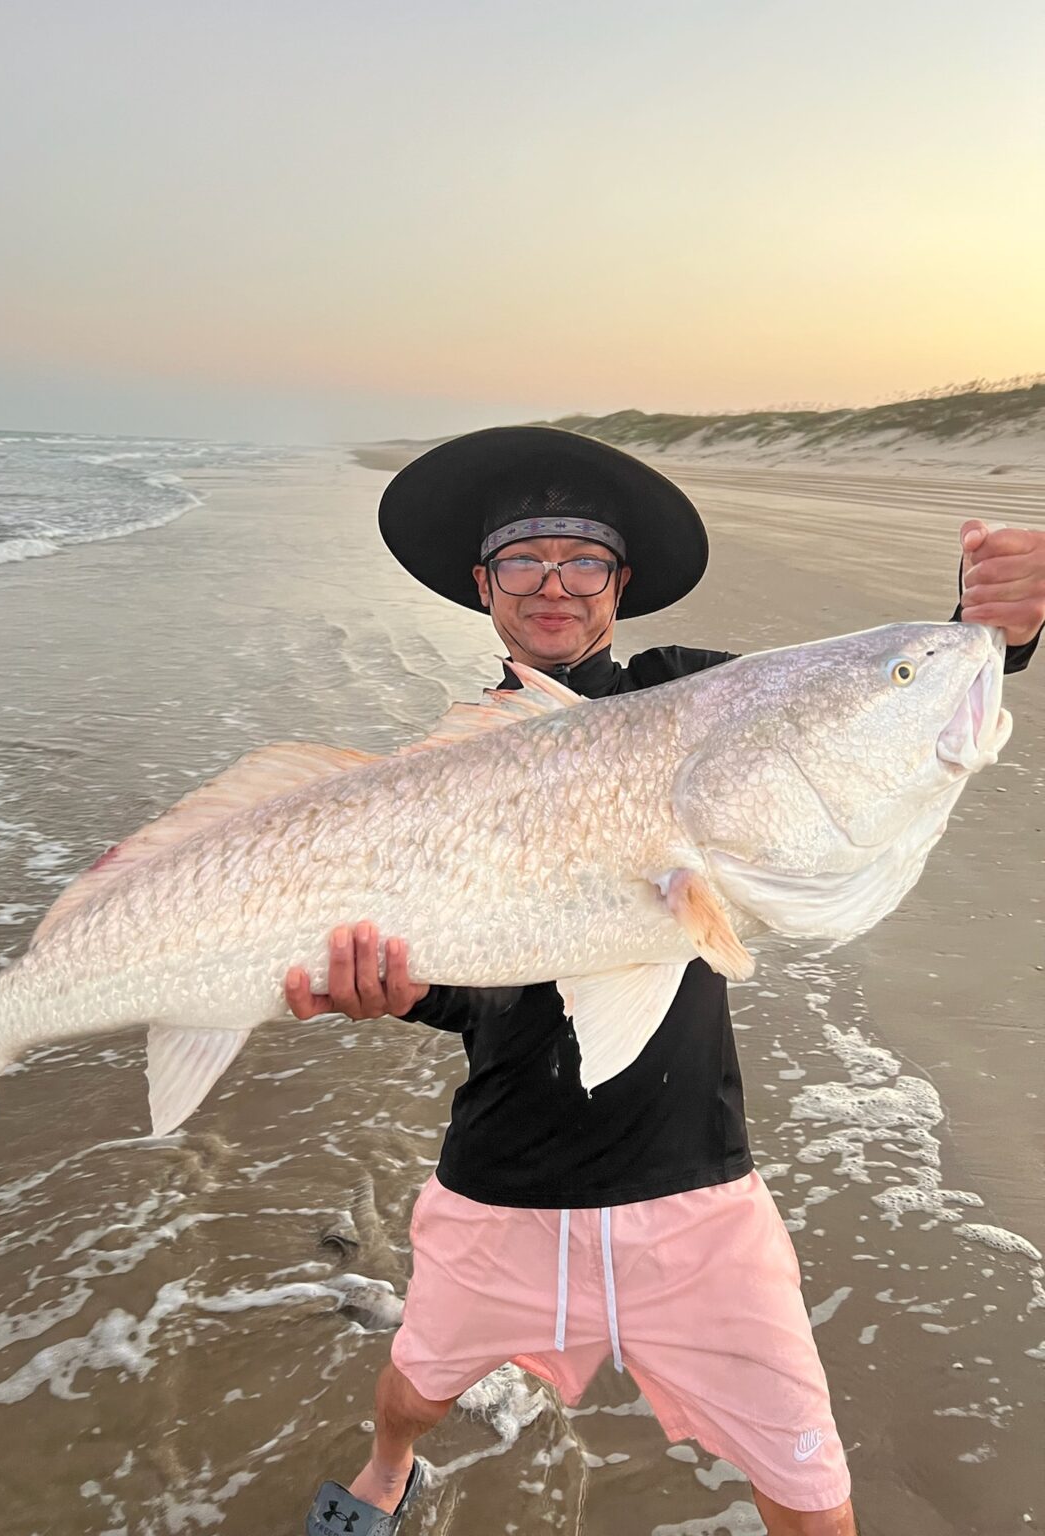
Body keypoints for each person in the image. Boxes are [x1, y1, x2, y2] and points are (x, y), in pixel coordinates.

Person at [297, 427, 1045, 1536]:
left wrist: (989, 628)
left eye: (583, 560)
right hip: (503, 1172)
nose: (554, 585)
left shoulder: (692, 698)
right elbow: (468, 992)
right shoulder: (440, 774)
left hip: (694, 1182)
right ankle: (388, 1462)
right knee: (416, 1388)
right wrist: (399, 989)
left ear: (620, 583)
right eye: (523, 560)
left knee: (814, 1500)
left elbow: (821, 709)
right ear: (484, 585)